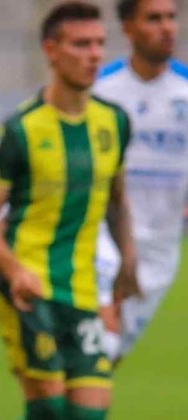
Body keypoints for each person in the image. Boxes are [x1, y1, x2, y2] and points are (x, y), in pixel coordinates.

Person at [0, 2, 139, 419]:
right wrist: (14, 271)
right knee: (51, 409)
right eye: (81, 44)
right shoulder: (21, 129)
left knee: (90, 412)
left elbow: (116, 202)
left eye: (99, 43)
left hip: (83, 289)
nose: (94, 55)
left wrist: (126, 267)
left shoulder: (114, 122)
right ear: (51, 50)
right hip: (30, 291)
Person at [95, 0, 188, 365]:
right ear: (128, 27)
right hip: (102, 238)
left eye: (171, 18)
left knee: (107, 359)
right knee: (97, 346)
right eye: (154, 18)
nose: (167, 27)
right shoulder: (102, 89)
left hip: (159, 249)